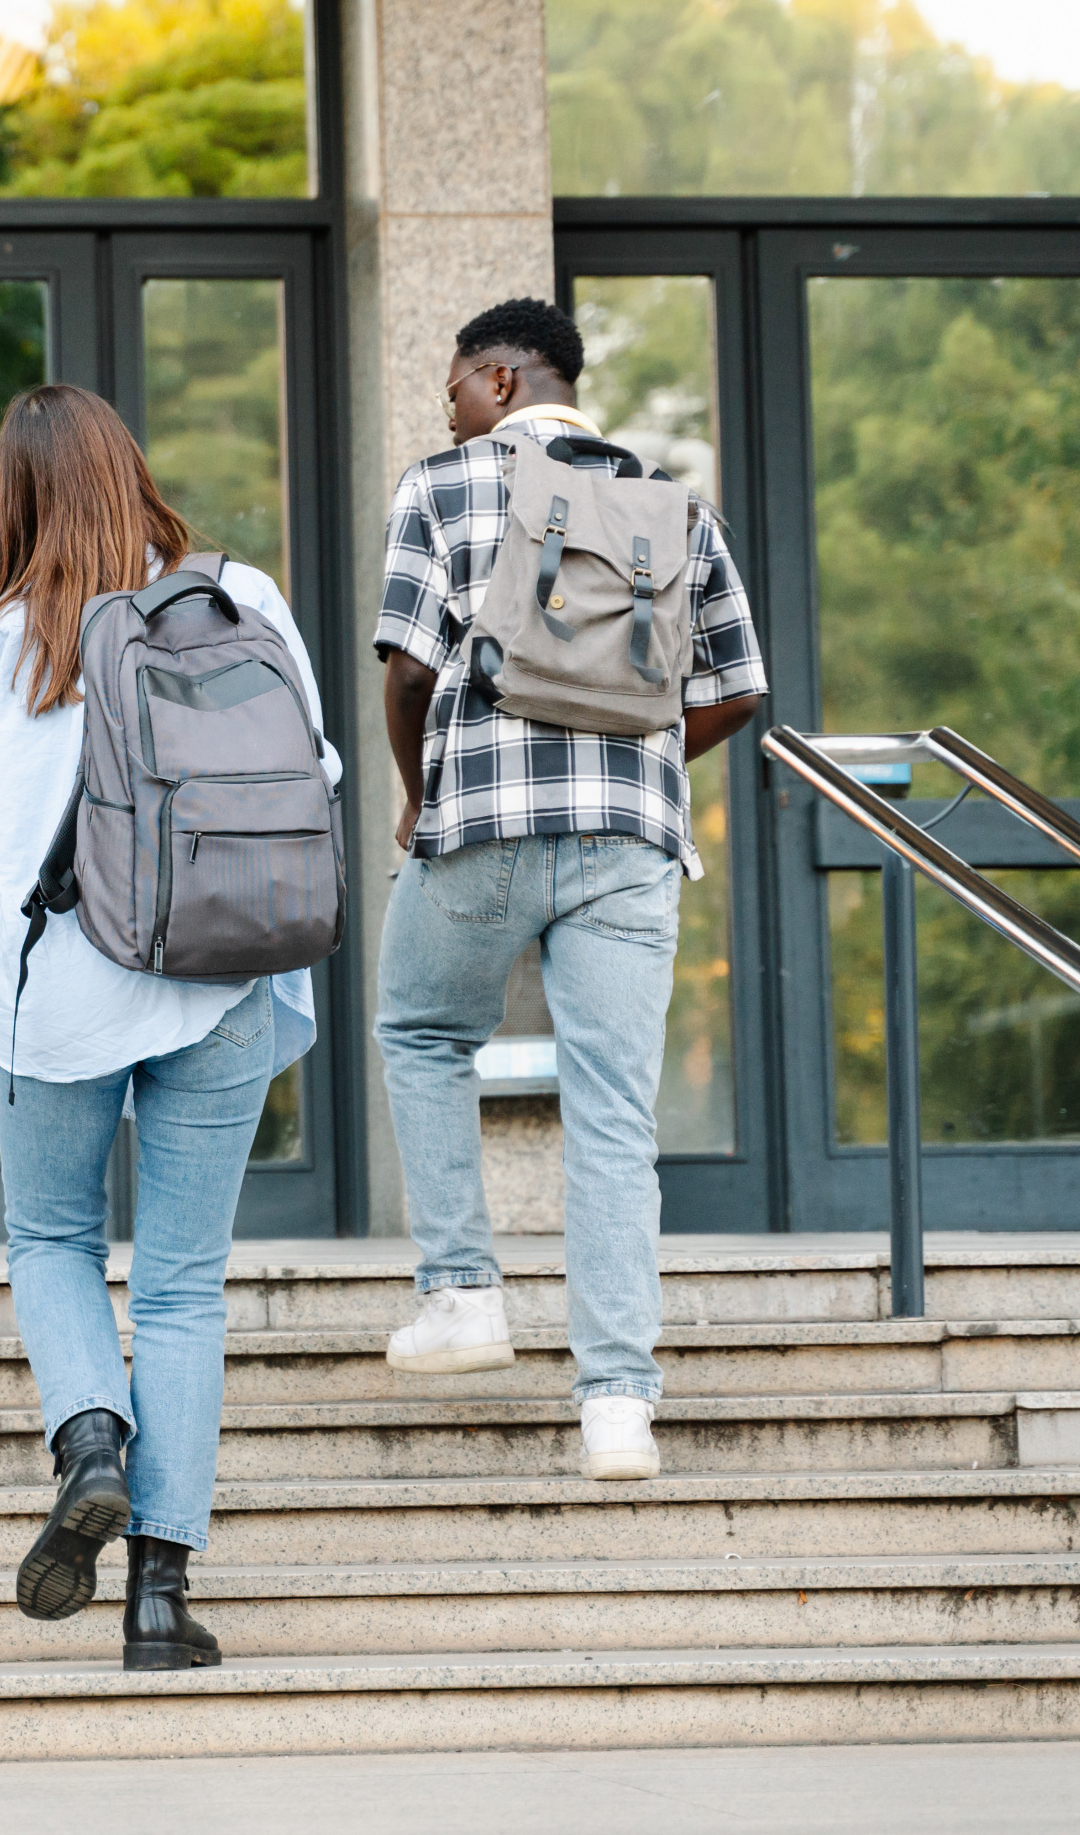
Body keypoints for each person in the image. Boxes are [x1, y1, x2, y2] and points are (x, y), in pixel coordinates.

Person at [0, 383, 339, 1673]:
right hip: (224, 971)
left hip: (65, 986)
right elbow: (314, 775)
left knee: (51, 1234)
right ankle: (160, 1600)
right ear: (130, 472)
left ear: (18, 495)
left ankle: (91, 1443)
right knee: (182, 1287)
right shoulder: (245, 598)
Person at [372, 297, 765, 1480]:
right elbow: (739, 685)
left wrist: (419, 790)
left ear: (498, 378)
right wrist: (636, 767)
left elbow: (406, 669)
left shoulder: (442, 486)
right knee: (613, 1113)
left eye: (452, 386)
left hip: (482, 818)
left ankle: (462, 1295)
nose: (447, 407)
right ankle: (617, 1405)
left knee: (422, 1028)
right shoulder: (671, 502)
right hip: (629, 844)